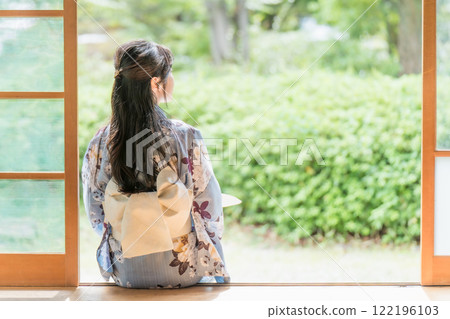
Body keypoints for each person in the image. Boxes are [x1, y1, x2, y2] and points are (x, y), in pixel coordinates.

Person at [81, 39, 231, 289]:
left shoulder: (100, 141)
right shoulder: (186, 135)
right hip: (184, 269)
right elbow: (210, 208)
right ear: (155, 82)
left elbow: (96, 214)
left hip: (126, 269)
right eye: (169, 73)